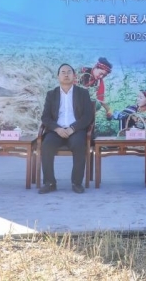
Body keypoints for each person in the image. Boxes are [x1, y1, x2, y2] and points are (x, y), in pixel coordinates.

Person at [39, 63, 94, 194]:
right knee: (46, 145)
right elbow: (45, 117)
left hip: (76, 130)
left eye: (69, 72)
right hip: (56, 130)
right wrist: (57, 129)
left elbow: (88, 116)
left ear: (74, 76)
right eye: (63, 72)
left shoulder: (83, 93)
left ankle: (76, 183)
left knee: (79, 144)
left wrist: (73, 128)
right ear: (58, 76)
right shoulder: (51, 94)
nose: (66, 75)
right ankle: (50, 182)